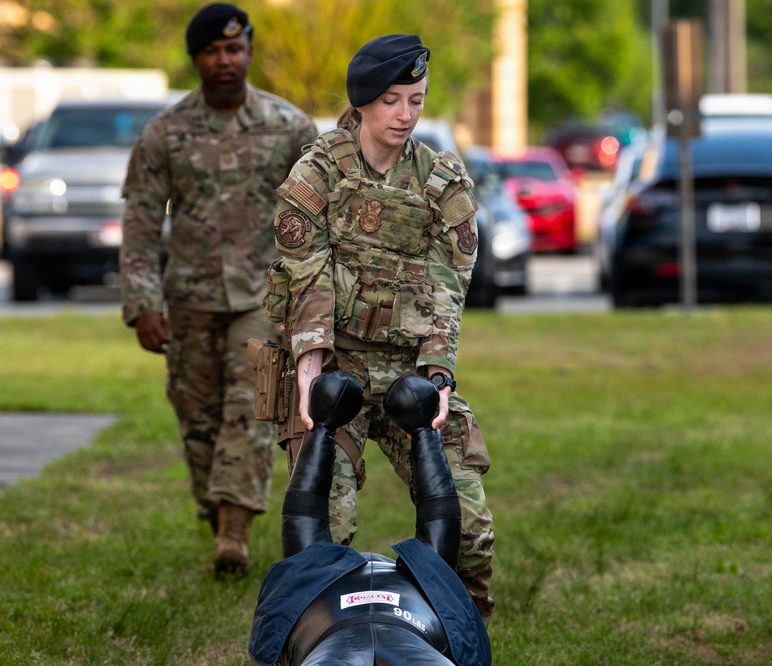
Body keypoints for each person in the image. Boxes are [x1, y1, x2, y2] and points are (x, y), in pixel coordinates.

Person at [265, 34, 494, 622]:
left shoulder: (442, 181)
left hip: (408, 373)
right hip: (334, 370)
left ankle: (459, 633)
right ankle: (320, 636)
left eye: (416, 100)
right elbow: (306, 277)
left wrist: (437, 376)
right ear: (363, 101)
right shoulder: (318, 173)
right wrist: (310, 369)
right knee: (324, 527)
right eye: (391, 100)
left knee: (467, 524)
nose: (405, 114)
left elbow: (448, 287)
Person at [120, 2, 317, 577]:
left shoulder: (290, 127)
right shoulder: (165, 134)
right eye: (212, 51)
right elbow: (139, 224)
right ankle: (218, 517)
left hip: (262, 299)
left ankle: (234, 534)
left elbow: (319, 219)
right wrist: (143, 304)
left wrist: (310, 299)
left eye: (234, 49)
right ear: (195, 59)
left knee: (251, 407)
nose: (224, 60)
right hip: (189, 299)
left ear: (249, 51)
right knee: (198, 419)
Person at [248, 373, 491, 666]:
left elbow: (303, 516)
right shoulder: (432, 583)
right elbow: (441, 517)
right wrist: (424, 431)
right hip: (402, 627)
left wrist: (321, 425)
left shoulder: (312, 578)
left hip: (342, 632)